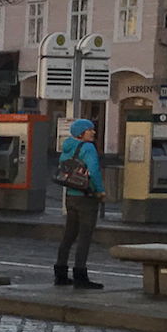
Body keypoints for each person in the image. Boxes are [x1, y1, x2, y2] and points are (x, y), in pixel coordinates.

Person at [55, 118, 104, 290]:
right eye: (90, 130)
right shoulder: (88, 148)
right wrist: (100, 190)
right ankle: (80, 274)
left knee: (69, 235)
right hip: (85, 196)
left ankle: (60, 273)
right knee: (85, 236)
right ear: (82, 133)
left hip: (70, 194)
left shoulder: (68, 146)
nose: (93, 132)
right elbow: (94, 170)